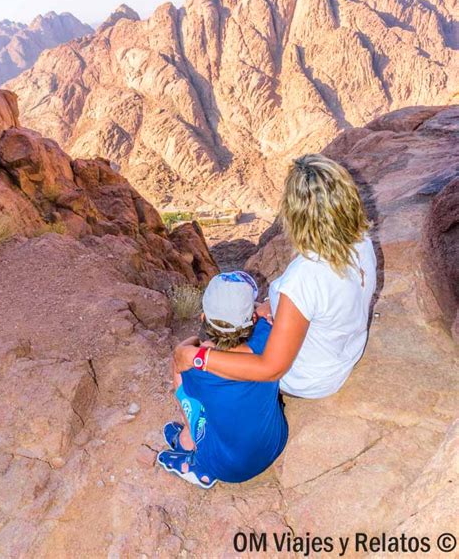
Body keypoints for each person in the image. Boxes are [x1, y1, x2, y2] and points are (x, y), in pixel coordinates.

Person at [174, 154, 377, 400]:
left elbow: (272, 369)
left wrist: (199, 358)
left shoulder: (305, 276)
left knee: (210, 346)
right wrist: (275, 306)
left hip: (307, 378)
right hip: (341, 352)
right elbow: (328, 301)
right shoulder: (360, 240)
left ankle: (193, 429)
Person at [158, 271, 288, 488]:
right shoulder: (268, 337)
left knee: (179, 373)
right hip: (274, 442)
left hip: (228, 467)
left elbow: (183, 352)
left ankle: (191, 445)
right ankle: (193, 440)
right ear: (253, 319)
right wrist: (260, 309)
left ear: (203, 319)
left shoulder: (197, 370)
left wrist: (198, 343)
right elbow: (267, 309)